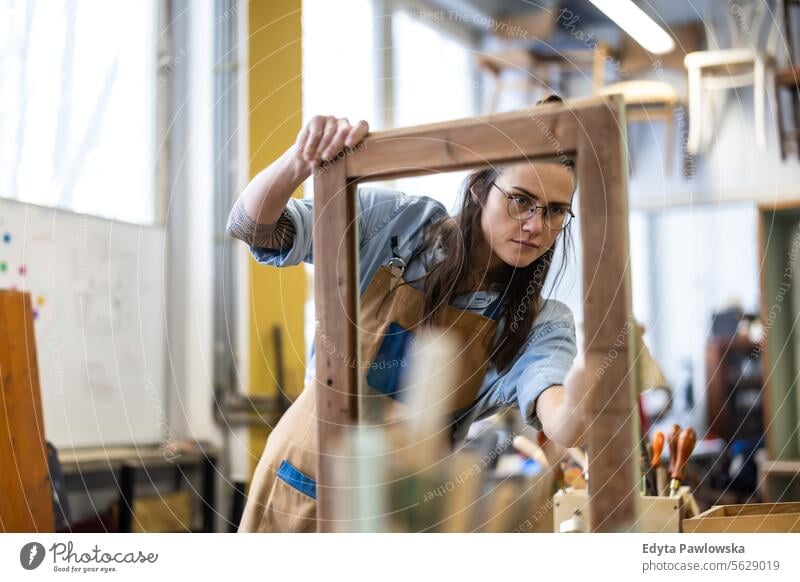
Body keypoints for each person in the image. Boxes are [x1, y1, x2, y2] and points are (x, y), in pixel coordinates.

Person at [229, 96, 587, 533]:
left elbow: (559, 415)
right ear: (479, 188)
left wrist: (590, 392)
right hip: (304, 477)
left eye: (554, 211)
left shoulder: (540, 323)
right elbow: (253, 228)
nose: (535, 225)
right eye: (520, 200)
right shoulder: (397, 224)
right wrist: (301, 157)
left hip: (405, 508)